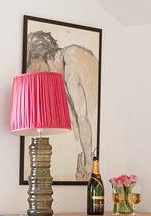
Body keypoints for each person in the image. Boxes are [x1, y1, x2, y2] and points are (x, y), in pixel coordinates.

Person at [25, 29, 98, 179]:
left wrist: (88, 164)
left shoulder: (70, 63)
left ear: (42, 56)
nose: (40, 77)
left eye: (37, 69)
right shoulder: (61, 77)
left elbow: (83, 117)